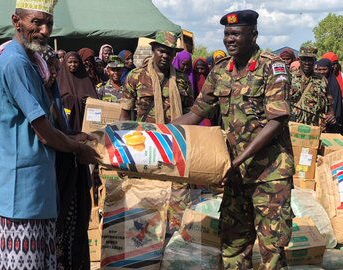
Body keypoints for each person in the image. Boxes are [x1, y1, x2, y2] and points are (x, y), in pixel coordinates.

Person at [173, 10, 295, 269]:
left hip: (270, 174)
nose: (229, 39)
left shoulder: (272, 67)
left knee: (272, 248)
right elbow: (196, 113)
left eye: (236, 33)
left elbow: (277, 120)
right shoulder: (220, 71)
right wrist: (156, 135)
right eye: (227, 33)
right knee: (233, 245)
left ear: (253, 35)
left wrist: (237, 160)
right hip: (235, 174)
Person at [0, 2, 99, 269]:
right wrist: (76, 148)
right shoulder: (14, 62)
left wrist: (74, 136)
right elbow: (44, 132)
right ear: (16, 21)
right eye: (36, 22)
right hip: (19, 193)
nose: (44, 30)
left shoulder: (29, 61)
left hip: (35, 189)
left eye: (48, 23)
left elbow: (45, 122)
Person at [120, 31, 195, 236]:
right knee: (147, 203)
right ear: (153, 50)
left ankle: (173, 246)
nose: (165, 56)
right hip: (146, 149)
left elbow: (191, 114)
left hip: (176, 146)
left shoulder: (181, 80)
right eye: (162, 51)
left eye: (170, 53)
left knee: (178, 201)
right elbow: (125, 114)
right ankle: (147, 245)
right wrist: (121, 151)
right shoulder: (135, 77)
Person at [290, 46, 335, 128]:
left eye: (310, 59)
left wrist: (331, 114)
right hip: (293, 125)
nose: (307, 62)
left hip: (315, 127)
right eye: (304, 59)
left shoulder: (322, 79)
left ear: (315, 61)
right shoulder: (290, 77)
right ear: (299, 59)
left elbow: (329, 100)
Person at [57, 51, 98, 131]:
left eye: (75, 62)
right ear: (65, 63)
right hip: (65, 123)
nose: (73, 65)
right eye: (70, 62)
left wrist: (86, 100)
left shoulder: (86, 80)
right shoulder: (59, 80)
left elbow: (95, 101)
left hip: (84, 123)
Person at [316, 58, 343, 133]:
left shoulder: (333, 85)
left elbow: (336, 106)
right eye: (319, 69)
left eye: (324, 69)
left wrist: (332, 117)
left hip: (330, 122)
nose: (322, 72)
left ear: (330, 69)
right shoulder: (316, 82)